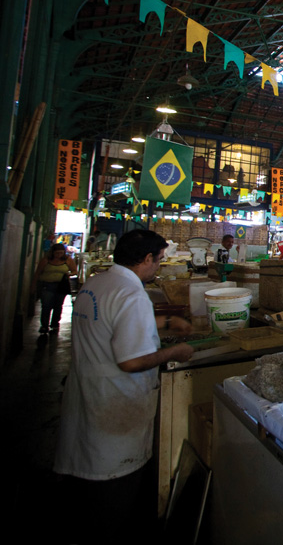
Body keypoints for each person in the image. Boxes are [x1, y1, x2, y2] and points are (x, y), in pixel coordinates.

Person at [53, 229, 195, 544]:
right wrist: (176, 352)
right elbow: (130, 361)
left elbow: (115, 320)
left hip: (85, 398)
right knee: (111, 505)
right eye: (158, 261)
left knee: (84, 491)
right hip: (113, 412)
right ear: (146, 259)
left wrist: (169, 321)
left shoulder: (97, 283)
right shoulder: (132, 296)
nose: (158, 267)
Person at [33, 243, 78, 334]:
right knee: (46, 305)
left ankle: (55, 323)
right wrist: (33, 285)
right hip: (47, 285)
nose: (59, 255)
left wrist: (68, 274)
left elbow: (74, 271)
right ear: (52, 253)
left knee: (58, 305)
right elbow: (38, 273)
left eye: (61, 253)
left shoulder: (68, 260)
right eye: (57, 253)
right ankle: (44, 325)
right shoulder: (46, 260)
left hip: (61, 286)